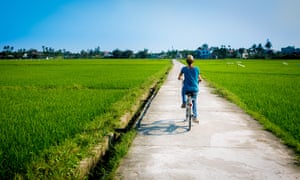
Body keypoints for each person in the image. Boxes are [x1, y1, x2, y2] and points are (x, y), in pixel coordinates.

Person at [178, 55, 202, 123]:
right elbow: (200, 79)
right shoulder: (197, 69)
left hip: (186, 88)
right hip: (195, 89)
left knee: (183, 90)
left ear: (186, 61)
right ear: (193, 61)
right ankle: (195, 117)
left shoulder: (184, 69)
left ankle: (184, 102)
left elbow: (179, 77)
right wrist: (198, 81)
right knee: (194, 102)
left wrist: (181, 78)